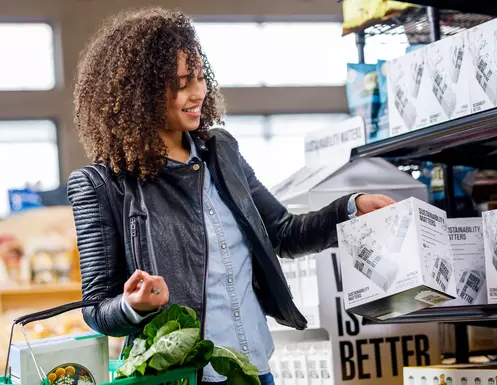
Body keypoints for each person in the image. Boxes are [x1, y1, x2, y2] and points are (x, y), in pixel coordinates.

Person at [66, 7, 396, 385]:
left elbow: (283, 233)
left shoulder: (221, 152)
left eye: (201, 77)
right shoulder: (102, 185)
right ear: (140, 92)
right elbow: (95, 308)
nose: (198, 93)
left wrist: (350, 209)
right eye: (182, 82)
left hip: (257, 370)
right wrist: (133, 306)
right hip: (186, 377)